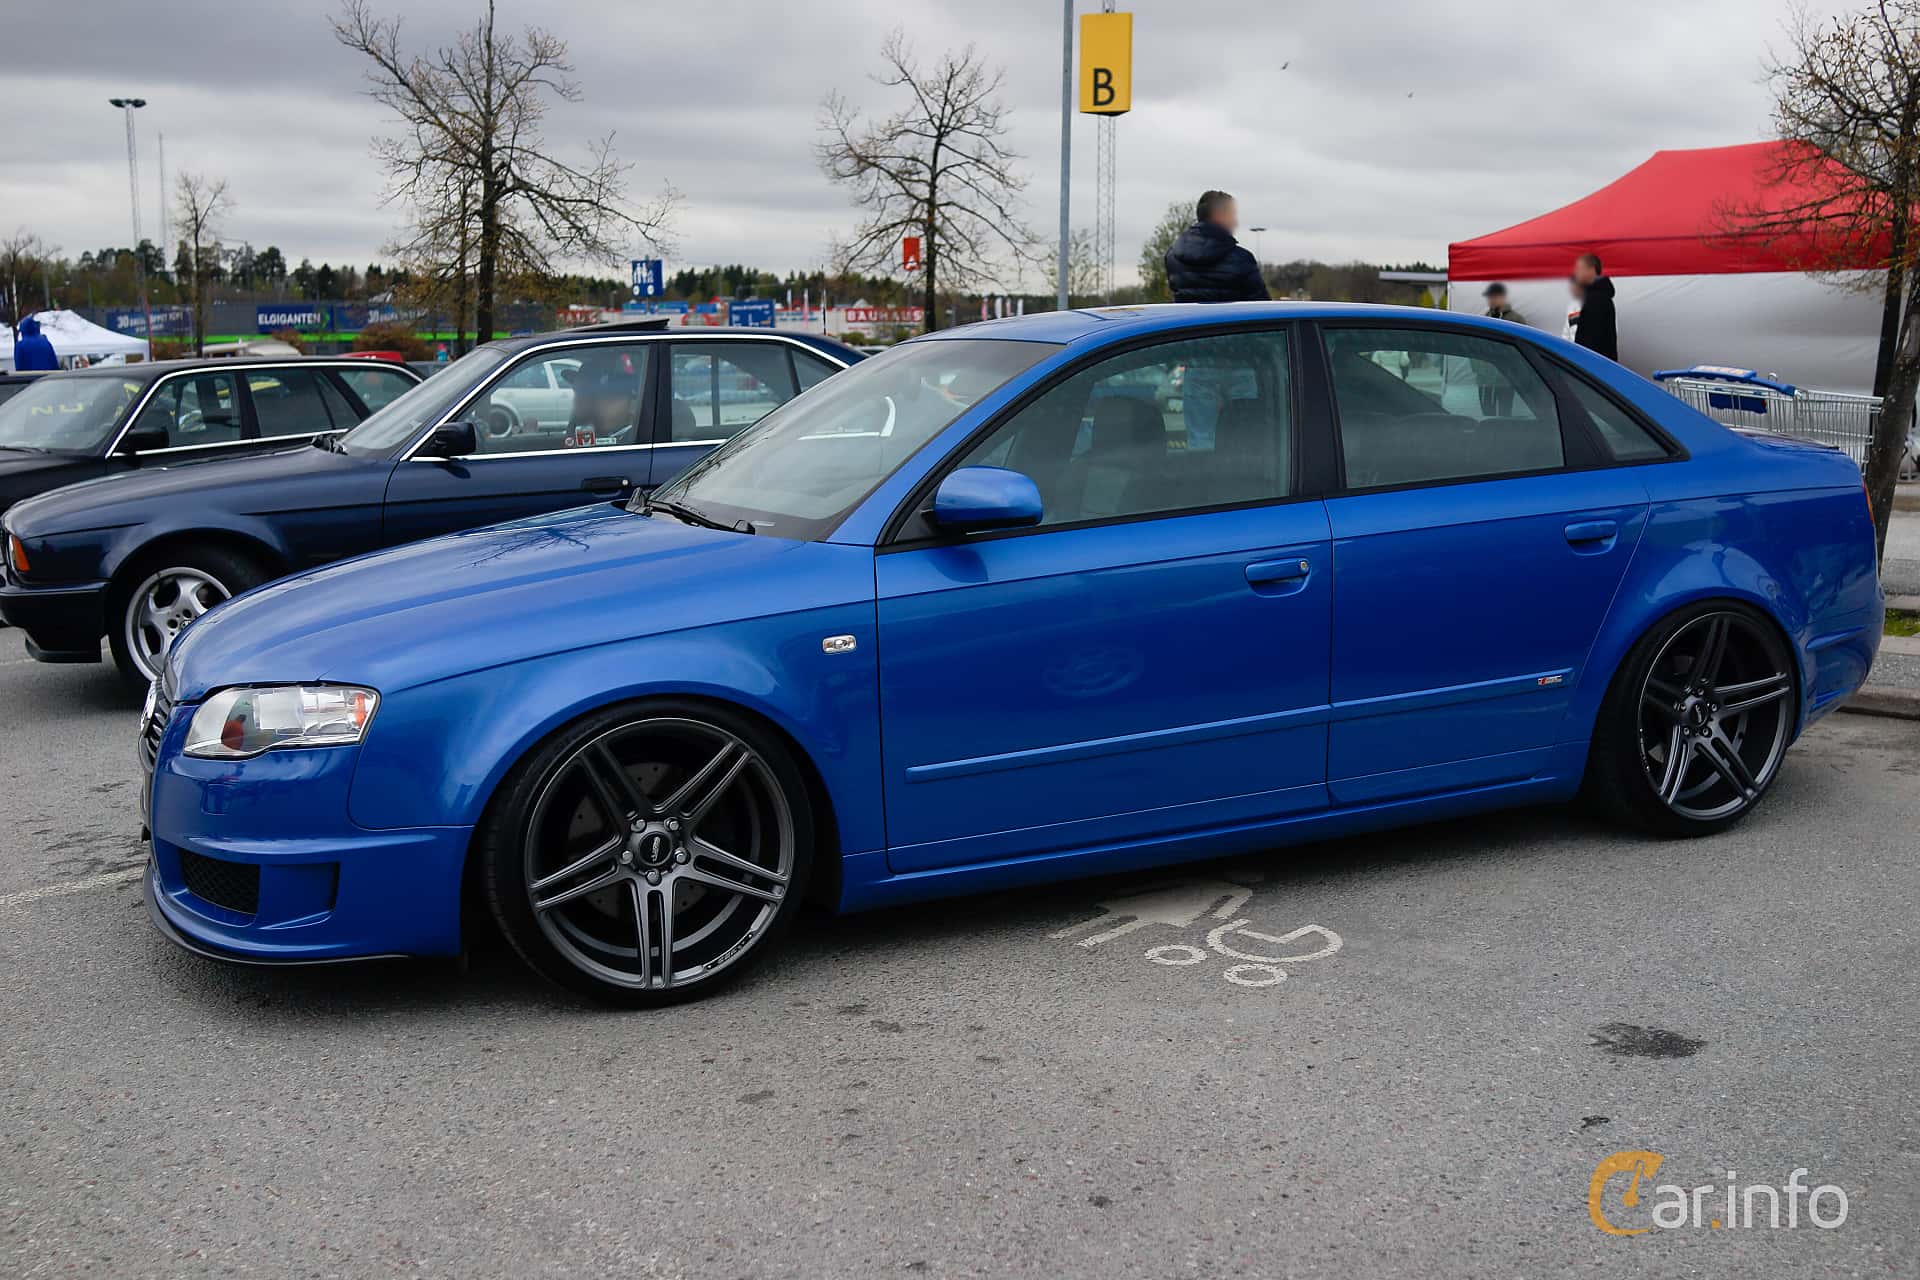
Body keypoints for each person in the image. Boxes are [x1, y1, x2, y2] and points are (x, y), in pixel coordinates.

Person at [1165, 191, 1269, 303]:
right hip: (1231, 315)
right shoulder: (1242, 259)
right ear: (1220, 215)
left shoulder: (1172, 257)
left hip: (1187, 315)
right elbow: (1262, 306)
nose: (1235, 222)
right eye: (1232, 215)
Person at [1570, 252, 1618, 361]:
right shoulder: (1599, 295)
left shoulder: (1595, 299)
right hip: (1601, 363)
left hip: (1591, 363)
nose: (1576, 272)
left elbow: (1590, 340)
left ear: (1591, 270)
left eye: (1580, 268)